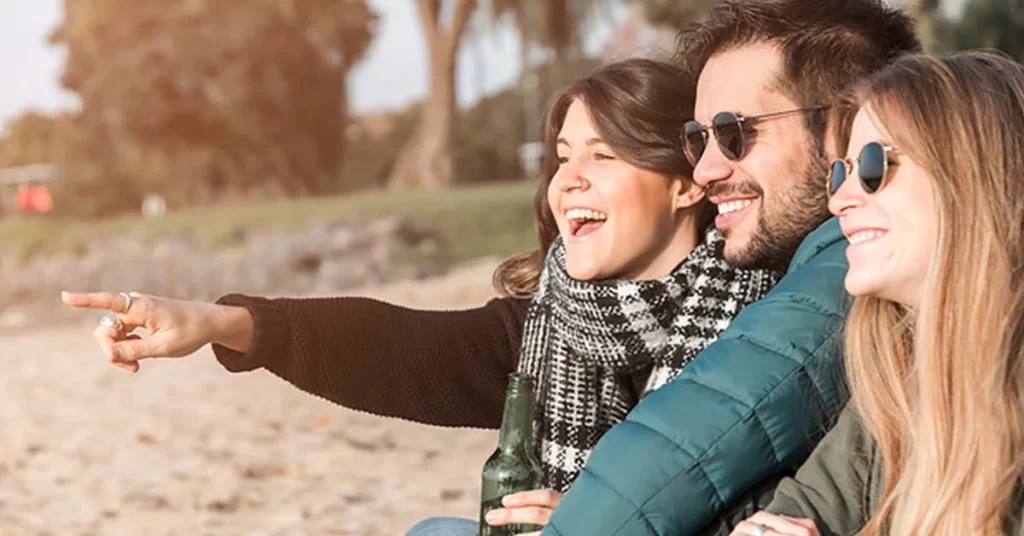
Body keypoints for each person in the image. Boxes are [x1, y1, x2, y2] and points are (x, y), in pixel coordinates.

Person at [61, 58, 783, 535]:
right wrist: (218, 322)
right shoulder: (550, 325)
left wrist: (606, 520)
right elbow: (401, 351)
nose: (568, 182)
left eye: (604, 156)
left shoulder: (760, 326)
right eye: (563, 158)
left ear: (687, 181)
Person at [541, 1, 922, 535]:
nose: (705, 168)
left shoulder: (852, 266)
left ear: (840, 130)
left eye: (734, 132)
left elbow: (692, 441)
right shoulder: (778, 272)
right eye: (697, 140)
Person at [728, 50, 1024, 536]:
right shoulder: (894, 393)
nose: (839, 200)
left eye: (872, 165)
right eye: (839, 173)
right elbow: (791, 516)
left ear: (976, 174)